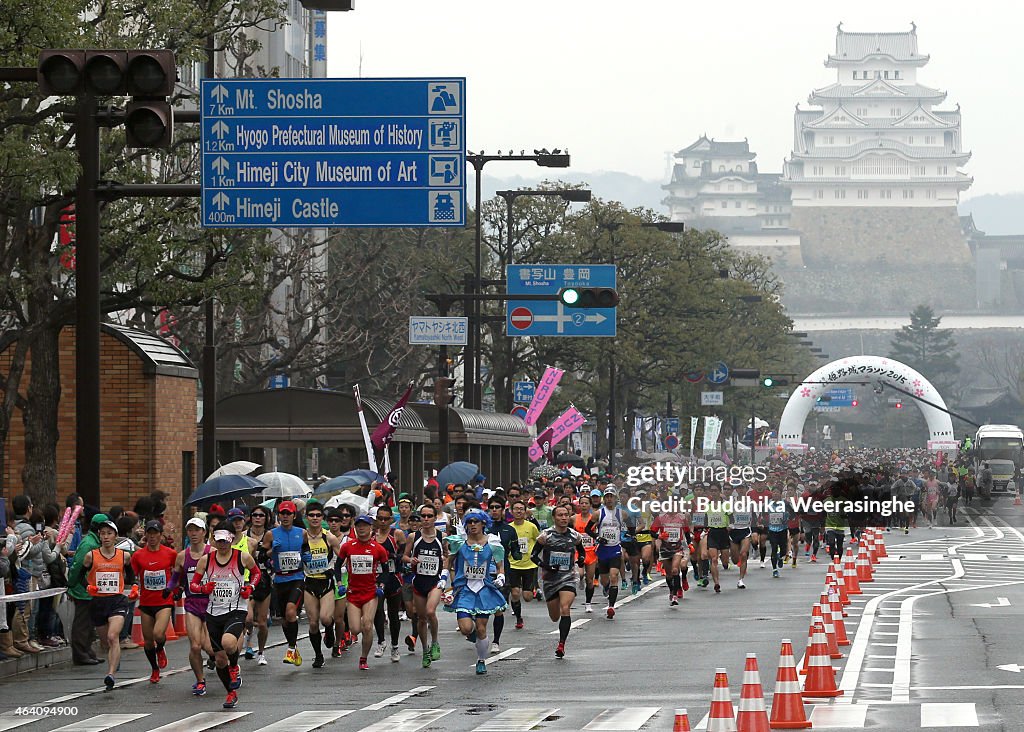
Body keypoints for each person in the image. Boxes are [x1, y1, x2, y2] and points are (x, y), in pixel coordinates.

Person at [190, 527, 260, 709]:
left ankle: (234, 666)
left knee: (229, 643)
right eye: (218, 541)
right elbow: (194, 584)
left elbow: (256, 573)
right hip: (213, 612)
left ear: (231, 540)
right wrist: (203, 589)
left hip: (236, 609)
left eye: (225, 541)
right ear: (213, 540)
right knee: (219, 659)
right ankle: (230, 692)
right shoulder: (206, 560)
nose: (221, 545)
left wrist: (250, 587)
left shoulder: (242, 557)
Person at [443, 509, 507, 675]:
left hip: (484, 589)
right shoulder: (459, 542)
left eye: (475, 521)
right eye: (469, 522)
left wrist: (501, 578)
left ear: (483, 523)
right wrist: (443, 579)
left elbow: (500, 567)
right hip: (464, 589)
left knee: (481, 628)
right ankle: (471, 635)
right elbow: (448, 562)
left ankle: (481, 660)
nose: (472, 525)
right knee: (465, 628)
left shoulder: (492, 542)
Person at [81, 519, 138, 690]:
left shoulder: (124, 556)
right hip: (98, 602)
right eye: (103, 533)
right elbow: (78, 577)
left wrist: (134, 587)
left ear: (115, 536)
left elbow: (130, 576)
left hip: (117, 600)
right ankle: (115, 658)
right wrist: (88, 587)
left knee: (114, 637)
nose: (105, 537)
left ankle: (111, 674)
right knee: (106, 641)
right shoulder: (91, 556)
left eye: (109, 533)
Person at [531, 505, 586, 658]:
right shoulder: (545, 535)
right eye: (560, 515)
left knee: (565, 607)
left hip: (568, 575)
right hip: (550, 578)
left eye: (566, 515)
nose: (563, 518)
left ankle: (561, 644)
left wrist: (581, 559)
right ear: (554, 518)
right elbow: (533, 556)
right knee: (555, 616)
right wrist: (546, 566)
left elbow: (581, 551)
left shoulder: (575, 535)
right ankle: (560, 635)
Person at [336, 514, 390, 671]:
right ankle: (362, 639)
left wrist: (381, 586)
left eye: (365, 525)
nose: (361, 528)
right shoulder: (348, 546)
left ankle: (363, 658)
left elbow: (386, 571)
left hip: (370, 593)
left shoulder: (378, 549)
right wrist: (340, 583)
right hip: (353, 593)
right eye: (358, 525)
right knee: (355, 629)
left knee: (367, 626)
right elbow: (337, 566)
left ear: (371, 528)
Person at [170, 517, 214, 695]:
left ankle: (222, 661)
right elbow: (176, 578)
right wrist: (171, 589)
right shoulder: (182, 556)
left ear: (204, 532)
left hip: (212, 604)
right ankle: (200, 680)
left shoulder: (213, 552)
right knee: (195, 645)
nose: (194, 533)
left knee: (211, 647)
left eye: (197, 530)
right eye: (191, 530)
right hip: (192, 604)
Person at [130, 520, 178, 683]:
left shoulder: (170, 554)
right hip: (146, 602)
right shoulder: (138, 556)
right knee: (148, 640)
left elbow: (178, 572)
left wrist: (175, 588)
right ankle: (154, 668)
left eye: (155, 533)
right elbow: (135, 575)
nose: (151, 537)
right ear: (145, 536)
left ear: (160, 535)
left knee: (158, 633)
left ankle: (161, 649)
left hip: (164, 600)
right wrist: (135, 588)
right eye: (149, 534)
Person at [261, 500, 305, 666]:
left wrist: (306, 557)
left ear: (294, 515)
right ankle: (293, 647)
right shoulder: (271, 534)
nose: (285, 516)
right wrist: (273, 551)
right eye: (282, 513)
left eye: (288, 513)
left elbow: (307, 551)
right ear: (278, 515)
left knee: (291, 611)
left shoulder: (302, 533)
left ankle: (291, 649)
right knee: (286, 619)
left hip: (297, 578)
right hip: (279, 580)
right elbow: (261, 557)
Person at [403, 504, 447, 668]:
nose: (426, 519)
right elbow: (404, 556)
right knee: (421, 618)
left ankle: (435, 642)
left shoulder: (442, 536)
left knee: (430, 611)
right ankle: (425, 649)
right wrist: (411, 560)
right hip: (419, 581)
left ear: (435, 518)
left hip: (434, 582)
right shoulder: (413, 537)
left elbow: (447, 557)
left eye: (430, 516)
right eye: (424, 516)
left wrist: (444, 573)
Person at [301, 500, 342, 668]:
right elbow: (294, 556)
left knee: (325, 618)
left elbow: (342, 559)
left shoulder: (329, 537)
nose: (315, 518)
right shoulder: (302, 536)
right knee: (312, 623)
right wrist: (301, 558)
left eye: (318, 515)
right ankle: (318, 655)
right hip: (309, 582)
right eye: (312, 515)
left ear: (322, 517)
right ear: (307, 517)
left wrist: (335, 571)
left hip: (326, 582)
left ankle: (329, 629)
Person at [66, 512, 110, 666]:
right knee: (82, 623)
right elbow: (78, 566)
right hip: (83, 589)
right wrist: (72, 584)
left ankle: (88, 651)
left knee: (89, 623)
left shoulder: (95, 542)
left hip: (91, 589)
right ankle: (80, 654)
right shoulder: (89, 544)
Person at [371, 504, 406, 663]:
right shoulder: (372, 535)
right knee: (377, 611)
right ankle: (381, 642)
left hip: (393, 577)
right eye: (380, 518)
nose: (383, 521)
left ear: (391, 519)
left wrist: (390, 555)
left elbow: (404, 555)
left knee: (393, 614)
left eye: (386, 519)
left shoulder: (396, 534)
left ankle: (395, 645)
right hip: (376, 577)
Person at [242, 507, 272, 663]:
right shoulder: (244, 536)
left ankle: (261, 652)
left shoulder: (270, 534)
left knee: (262, 622)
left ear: (266, 518)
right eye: (255, 515)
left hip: (264, 578)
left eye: (261, 515)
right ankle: (248, 638)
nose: (258, 518)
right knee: (247, 618)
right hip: (248, 578)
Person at [507, 499, 539, 630]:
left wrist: (535, 556)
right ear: (511, 511)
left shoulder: (531, 527)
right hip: (513, 565)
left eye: (521, 509)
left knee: (527, 597)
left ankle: (533, 589)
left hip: (529, 565)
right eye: (516, 509)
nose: (519, 511)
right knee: (515, 593)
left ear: (525, 511)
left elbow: (539, 541)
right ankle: (518, 618)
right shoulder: (508, 528)